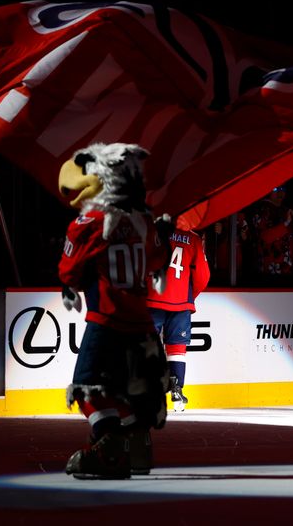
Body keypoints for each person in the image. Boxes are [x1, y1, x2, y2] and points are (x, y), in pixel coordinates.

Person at [57, 142, 171, 479]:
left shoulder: (90, 221)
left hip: (107, 321)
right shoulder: (141, 221)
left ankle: (110, 448)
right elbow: (156, 261)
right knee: (130, 390)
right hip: (142, 324)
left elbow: (69, 272)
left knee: (87, 389)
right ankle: (138, 444)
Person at [147, 223, 211, 411]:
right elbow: (203, 276)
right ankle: (176, 393)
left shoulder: (149, 230)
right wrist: (189, 294)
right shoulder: (193, 238)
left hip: (152, 297)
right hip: (181, 301)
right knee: (177, 348)